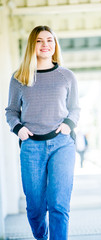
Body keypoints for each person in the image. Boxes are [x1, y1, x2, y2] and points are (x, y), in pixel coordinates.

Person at [5, 25, 80, 240]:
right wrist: (19, 129)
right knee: (35, 208)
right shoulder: (19, 78)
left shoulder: (67, 76)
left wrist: (68, 124)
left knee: (58, 203)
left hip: (62, 144)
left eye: (50, 40)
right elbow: (11, 111)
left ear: (55, 45)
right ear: (32, 45)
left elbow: (74, 109)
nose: (45, 45)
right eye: (39, 40)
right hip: (32, 147)